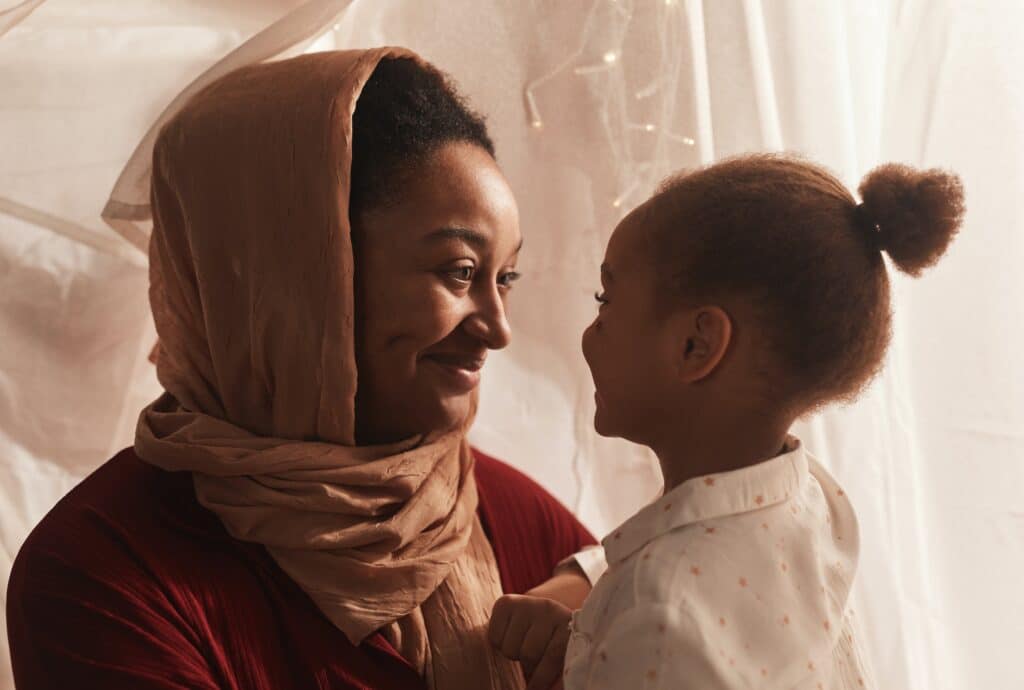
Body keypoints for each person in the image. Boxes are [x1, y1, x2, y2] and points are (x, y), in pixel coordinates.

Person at [6, 48, 597, 690]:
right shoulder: (105, 569)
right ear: (295, 274)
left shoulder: (532, 528)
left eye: (504, 278)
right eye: (459, 272)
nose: (497, 329)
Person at [489, 154, 965, 689]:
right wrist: (588, 637)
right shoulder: (813, 500)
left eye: (606, 300)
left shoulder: (661, 615)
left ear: (697, 346)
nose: (589, 332)